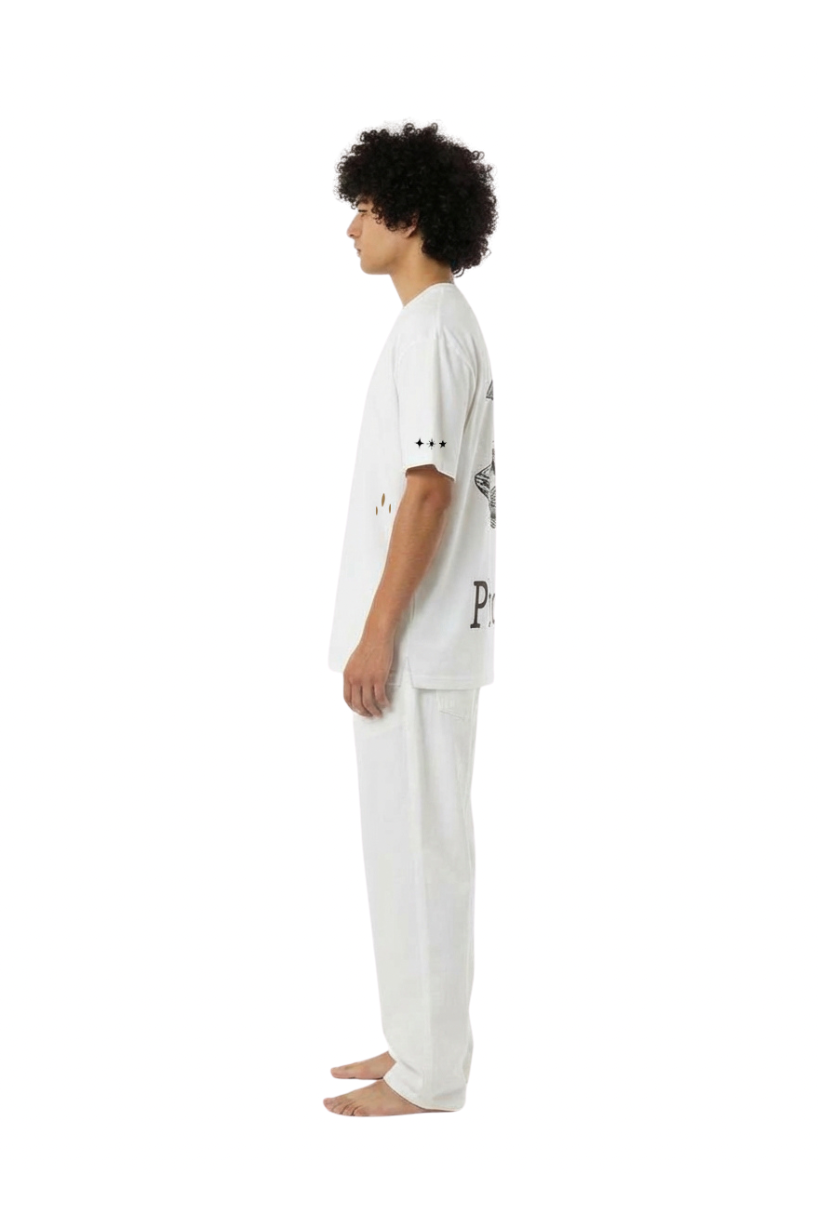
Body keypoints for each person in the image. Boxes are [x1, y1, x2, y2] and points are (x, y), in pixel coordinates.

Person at [325, 122, 497, 1117]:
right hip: (424, 644)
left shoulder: (432, 329)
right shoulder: (436, 326)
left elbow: (427, 490)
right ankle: (414, 1045)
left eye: (363, 208)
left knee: (423, 857)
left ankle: (431, 1079)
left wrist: (378, 631)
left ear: (411, 214)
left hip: (419, 648)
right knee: (405, 852)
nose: (350, 228)